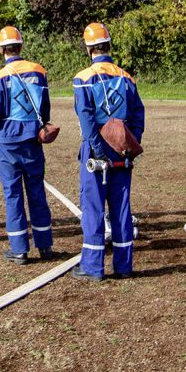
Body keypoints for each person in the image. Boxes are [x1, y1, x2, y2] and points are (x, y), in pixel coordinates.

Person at [71, 23, 145, 281]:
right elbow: (138, 114)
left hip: (96, 151)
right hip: (122, 150)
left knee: (93, 207)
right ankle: (124, 266)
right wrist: (129, 145)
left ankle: (93, 267)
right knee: (121, 208)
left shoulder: (82, 78)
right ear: (109, 46)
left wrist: (98, 149)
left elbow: (86, 117)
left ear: (88, 48)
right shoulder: (126, 77)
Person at [0, 26, 54, 265]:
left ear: (1, 49)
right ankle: (45, 245)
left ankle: (19, 249)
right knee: (37, 192)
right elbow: (45, 107)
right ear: (21, 46)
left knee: (12, 195)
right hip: (33, 139)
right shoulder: (38, 70)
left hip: (7, 142)